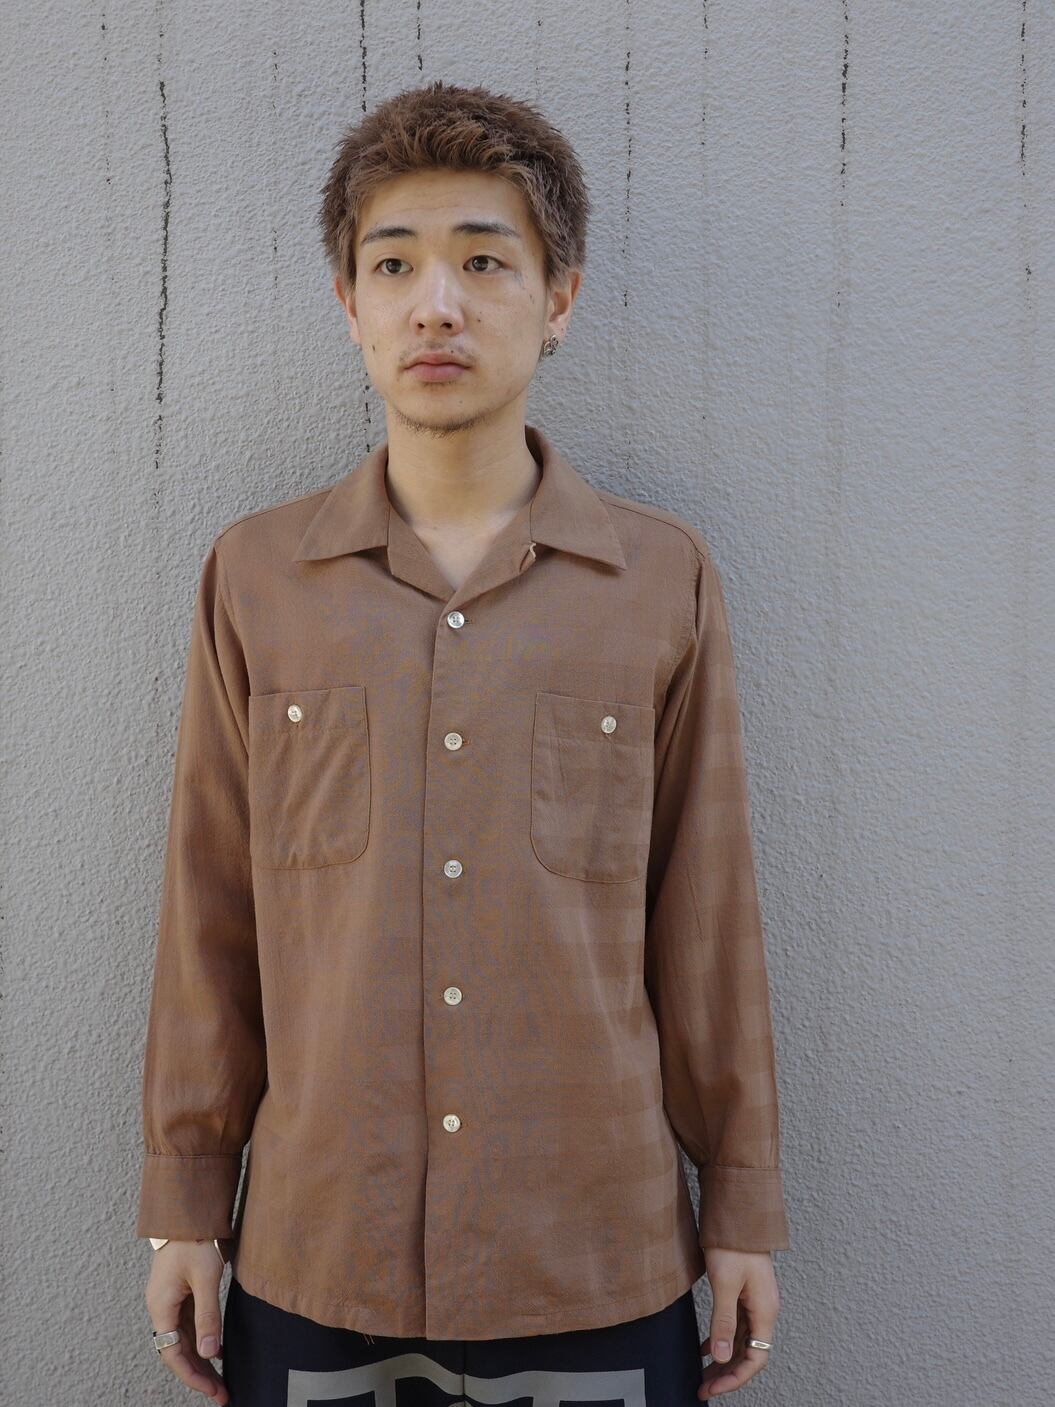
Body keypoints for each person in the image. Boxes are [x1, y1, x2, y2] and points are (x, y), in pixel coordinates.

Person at [138, 80, 791, 1405]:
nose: (436, 303)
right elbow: (210, 911)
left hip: (593, 1255)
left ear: (559, 300)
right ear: (351, 304)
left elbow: (706, 914)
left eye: (485, 262)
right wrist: (185, 1208)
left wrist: (740, 1207)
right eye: (395, 265)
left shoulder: (659, 582)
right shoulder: (256, 580)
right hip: (318, 1250)